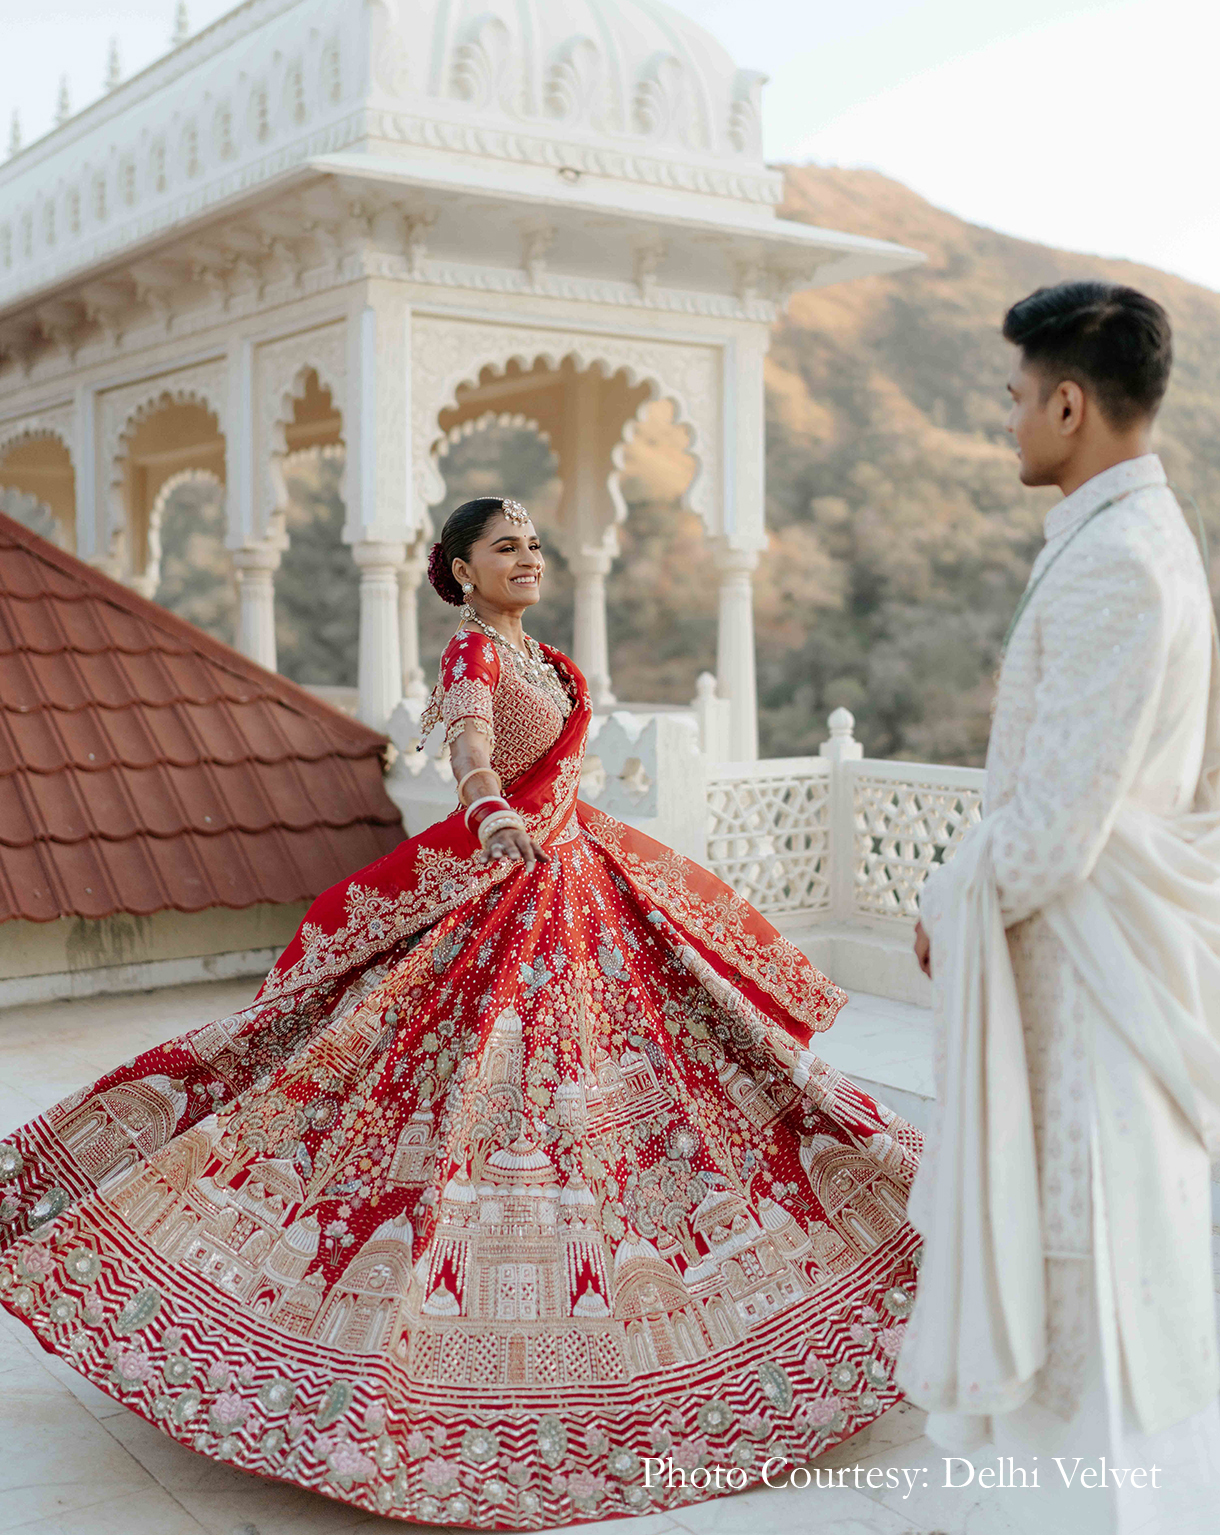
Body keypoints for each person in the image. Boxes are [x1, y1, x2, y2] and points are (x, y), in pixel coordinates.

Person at [0, 493, 920, 1530]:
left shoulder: (557, 664)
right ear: (460, 570)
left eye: (534, 545)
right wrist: (486, 810)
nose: (528, 559)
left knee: (680, 1074)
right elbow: (474, 753)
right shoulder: (471, 657)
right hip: (507, 886)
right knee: (437, 1080)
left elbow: (563, 777)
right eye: (504, 548)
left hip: (582, 888)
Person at [901, 281, 1220, 1532]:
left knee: (1088, 1271)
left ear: (1071, 403)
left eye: (1017, 399)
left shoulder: (1117, 570)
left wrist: (946, 898)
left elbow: (1053, 828)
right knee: (1095, 1275)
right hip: (1096, 962)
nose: (1008, 422)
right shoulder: (1130, 542)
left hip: (1095, 981)